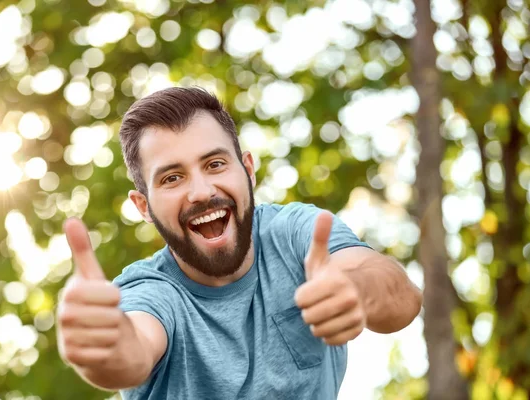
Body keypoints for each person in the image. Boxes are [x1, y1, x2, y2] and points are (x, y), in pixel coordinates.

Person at [56, 87, 423, 399]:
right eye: (172, 178)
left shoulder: (295, 234)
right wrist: (103, 344)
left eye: (215, 164)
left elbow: (400, 298)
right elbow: (132, 348)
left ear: (247, 169)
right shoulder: (150, 291)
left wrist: (355, 291)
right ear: (143, 207)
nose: (201, 192)